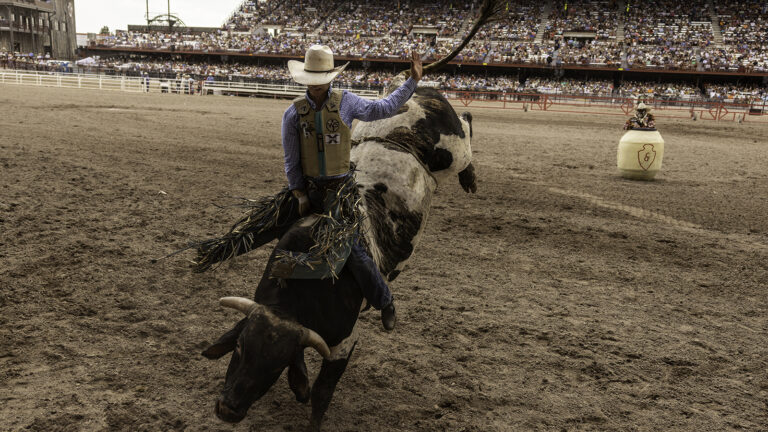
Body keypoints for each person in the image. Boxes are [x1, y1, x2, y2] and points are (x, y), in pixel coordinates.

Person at [281, 44, 422, 331]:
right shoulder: (293, 114)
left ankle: (384, 300)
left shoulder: (346, 102)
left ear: (330, 78)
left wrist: (412, 82)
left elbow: (382, 108)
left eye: (322, 79)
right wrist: (298, 193)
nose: (318, 85)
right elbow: (291, 158)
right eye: (314, 80)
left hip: (340, 191)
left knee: (353, 249)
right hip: (308, 189)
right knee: (285, 240)